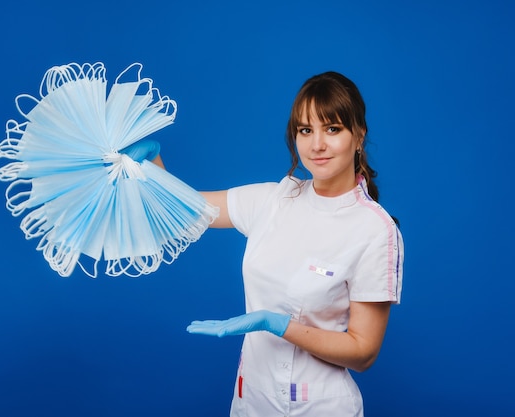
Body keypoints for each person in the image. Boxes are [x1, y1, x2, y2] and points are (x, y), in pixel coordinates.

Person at [141, 71, 404, 416]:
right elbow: (183, 211)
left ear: (359, 135)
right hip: (251, 402)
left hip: (321, 408)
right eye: (306, 130)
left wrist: (276, 323)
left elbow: (363, 352)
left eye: (333, 129)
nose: (317, 145)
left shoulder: (375, 229)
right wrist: (147, 162)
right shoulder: (274, 198)